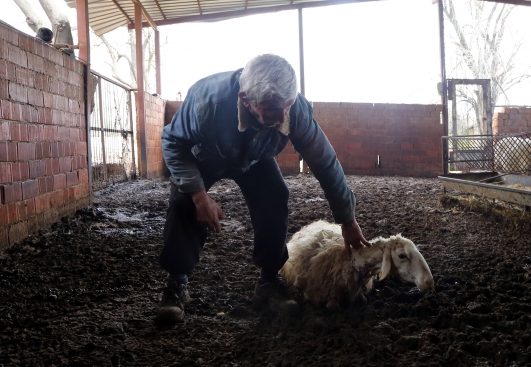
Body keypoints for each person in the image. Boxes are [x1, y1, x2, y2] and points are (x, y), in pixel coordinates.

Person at [156, 54, 370, 323]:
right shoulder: (207, 102)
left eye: (287, 106)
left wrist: (347, 219)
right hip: (202, 157)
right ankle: (176, 282)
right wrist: (199, 196)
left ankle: (268, 282)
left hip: (255, 157)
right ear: (247, 100)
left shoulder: (294, 111)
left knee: (275, 196)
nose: (283, 117)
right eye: (272, 108)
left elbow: (324, 160)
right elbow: (173, 142)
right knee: (184, 204)